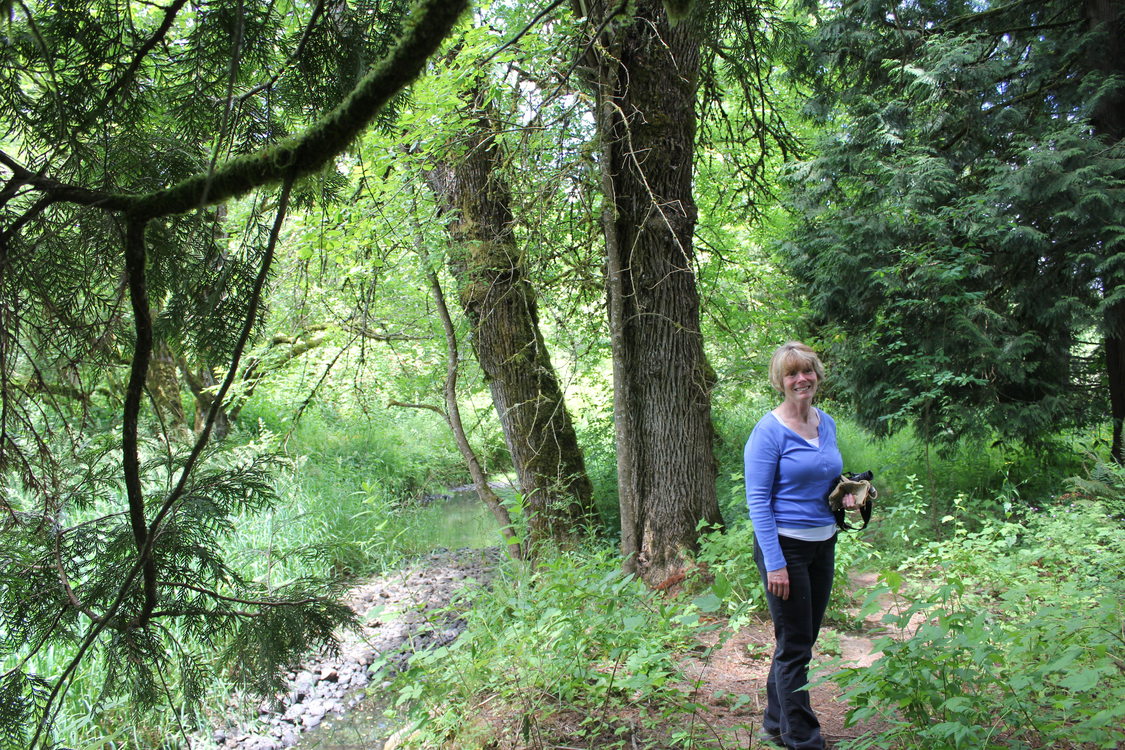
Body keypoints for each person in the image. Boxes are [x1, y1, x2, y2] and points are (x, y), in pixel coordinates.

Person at [744, 341, 856, 750]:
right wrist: (774, 564)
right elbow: (757, 500)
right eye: (791, 373)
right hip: (784, 550)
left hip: (822, 544)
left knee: (801, 640)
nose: (800, 379)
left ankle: (776, 723)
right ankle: (803, 740)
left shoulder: (824, 423)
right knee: (794, 647)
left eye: (806, 371)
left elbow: (826, 475)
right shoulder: (768, 431)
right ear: (780, 381)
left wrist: (844, 493)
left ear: (817, 374)